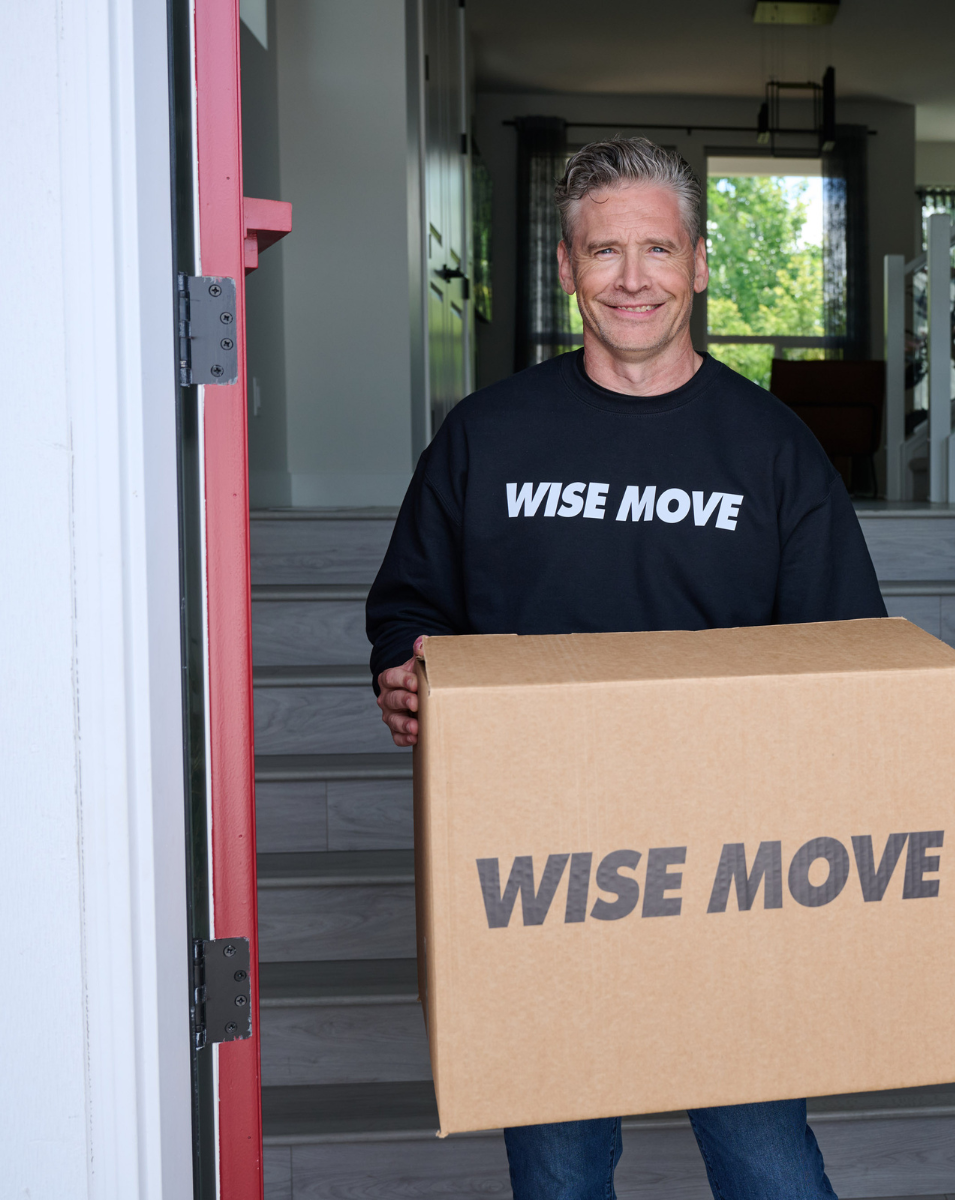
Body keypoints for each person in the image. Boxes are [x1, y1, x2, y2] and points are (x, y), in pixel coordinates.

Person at [365, 137, 884, 1200]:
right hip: (535, 865)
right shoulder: (488, 438)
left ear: (698, 262)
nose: (633, 278)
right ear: (566, 269)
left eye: (658, 249)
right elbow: (412, 604)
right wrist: (404, 671)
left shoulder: (773, 450)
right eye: (606, 252)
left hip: (730, 871)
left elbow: (849, 659)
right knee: (557, 1173)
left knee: (768, 1165)